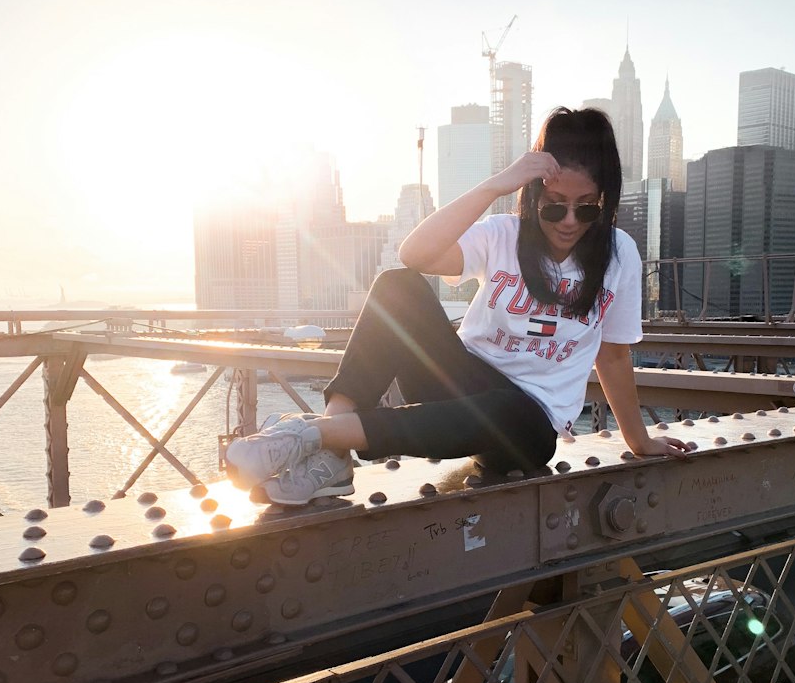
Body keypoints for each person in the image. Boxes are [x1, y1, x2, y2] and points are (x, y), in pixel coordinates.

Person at [227, 106, 692, 504]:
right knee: (397, 287)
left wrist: (639, 439)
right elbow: (415, 255)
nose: (569, 221)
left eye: (586, 207)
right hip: (459, 384)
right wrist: (499, 183)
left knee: (511, 410)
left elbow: (612, 354)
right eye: (554, 206)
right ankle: (331, 457)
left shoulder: (619, 255)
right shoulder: (502, 235)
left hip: (526, 427)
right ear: (533, 195)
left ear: (603, 202)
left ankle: (313, 435)